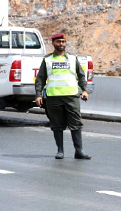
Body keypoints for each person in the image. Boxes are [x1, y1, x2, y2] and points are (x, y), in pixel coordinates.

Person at [35, 32, 91, 160]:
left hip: (71, 96)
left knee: (76, 123)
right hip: (53, 97)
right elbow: (40, 79)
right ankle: (60, 151)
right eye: (59, 42)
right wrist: (38, 95)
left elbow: (81, 75)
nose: (61, 44)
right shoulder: (47, 60)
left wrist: (84, 90)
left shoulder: (72, 58)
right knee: (56, 124)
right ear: (53, 43)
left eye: (63, 42)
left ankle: (79, 151)